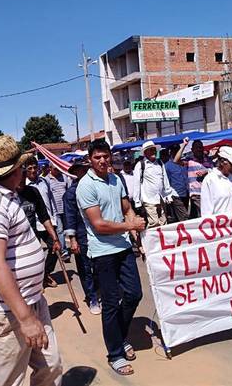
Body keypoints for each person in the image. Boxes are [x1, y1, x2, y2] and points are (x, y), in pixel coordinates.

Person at [0, 135, 63, 386]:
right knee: (8, 380)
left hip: (30, 301)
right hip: (8, 313)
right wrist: (26, 319)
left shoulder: (7, 197)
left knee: (51, 365)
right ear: (15, 171)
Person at [76, 139, 146, 376]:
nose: (103, 161)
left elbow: (127, 208)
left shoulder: (116, 179)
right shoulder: (85, 186)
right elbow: (99, 225)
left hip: (124, 247)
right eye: (98, 157)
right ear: (90, 159)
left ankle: (120, 334)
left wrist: (137, 235)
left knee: (135, 293)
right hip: (103, 252)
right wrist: (130, 226)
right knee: (111, 303)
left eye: (106, 156)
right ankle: (115, 353)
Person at [62, 160, 100, 315]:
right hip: (81, 234)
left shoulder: (95, 186)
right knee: (85, 269)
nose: (83, 172)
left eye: (85, 169)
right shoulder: (71, 193)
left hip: (98, 233)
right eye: (80, 170)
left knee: (99, 265)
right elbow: (69, 217)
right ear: (75, 172)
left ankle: (99, 292)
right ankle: (92, 298)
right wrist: (72, 239)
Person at [26, 157, 60, 285]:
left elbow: (51, 201)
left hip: (47, 222)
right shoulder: (23, 185)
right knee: (35, 254)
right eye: (30, 168)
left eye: (35, 167)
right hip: (31, 224)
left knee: (55, 249)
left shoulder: (45, 182)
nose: (33, 170)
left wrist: (55, 218)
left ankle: (46, 274)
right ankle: (35, 279)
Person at [133, 141, 176, 228]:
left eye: (154, 150)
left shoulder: (160, 163)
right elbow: (137, 184)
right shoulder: (140, 165)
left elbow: (165, 180)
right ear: (145, 153)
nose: (153, 152)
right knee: (154, 223)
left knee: (163, 222)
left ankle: (162, 240)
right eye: (150, 150)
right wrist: (137, 201)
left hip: (161, 198)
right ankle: (152, 240)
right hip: (148, 199)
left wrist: (168, 195)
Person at [201, 146, 232, 216]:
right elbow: (206, 210)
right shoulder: (210, 180)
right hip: (220, 224)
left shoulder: (231, 178)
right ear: (223, 162)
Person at [45, 163, 71, 260]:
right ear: (50, 168)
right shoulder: (47, 180)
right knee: (60, 231)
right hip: (55, 210)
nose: (58, 170)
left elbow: (68, 191)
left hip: (66, 208)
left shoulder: (64, 177)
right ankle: (64, 252)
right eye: (55, 169)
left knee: (68, 230)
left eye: (58, 169)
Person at [186, 139, 213, 218]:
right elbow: (176, 160)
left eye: (200, 147)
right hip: (196, 194)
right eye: (196, 148)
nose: (199, 149)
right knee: (204, 215)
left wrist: (206, 171)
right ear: (192, 150)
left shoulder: (208, 160)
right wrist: (184, 144)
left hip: (207, 192)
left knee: (202, 215)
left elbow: (214, 171)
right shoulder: (188, 160)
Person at [165, 142, 190, 222]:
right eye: (174, 150)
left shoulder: (184, 163)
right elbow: (167, 181)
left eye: (177, 150)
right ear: (171, 152)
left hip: (186, 193)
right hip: (176, 195)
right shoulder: (167, 166)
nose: (176, 152)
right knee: (184, 216)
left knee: (183, 216)